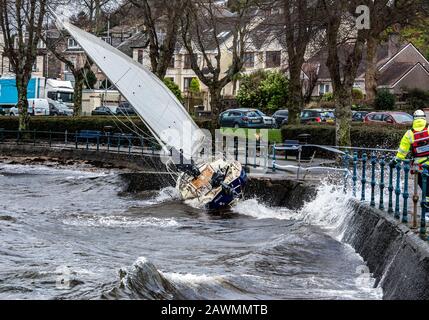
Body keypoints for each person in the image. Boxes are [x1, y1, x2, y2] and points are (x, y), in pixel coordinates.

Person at [394, 109, 429, 204]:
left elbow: (402, 151)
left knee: (423, 185)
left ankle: (426, 210)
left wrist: (396, 160)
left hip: (417, 165)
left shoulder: (409, 133)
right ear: (424, 119)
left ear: (414, 119)